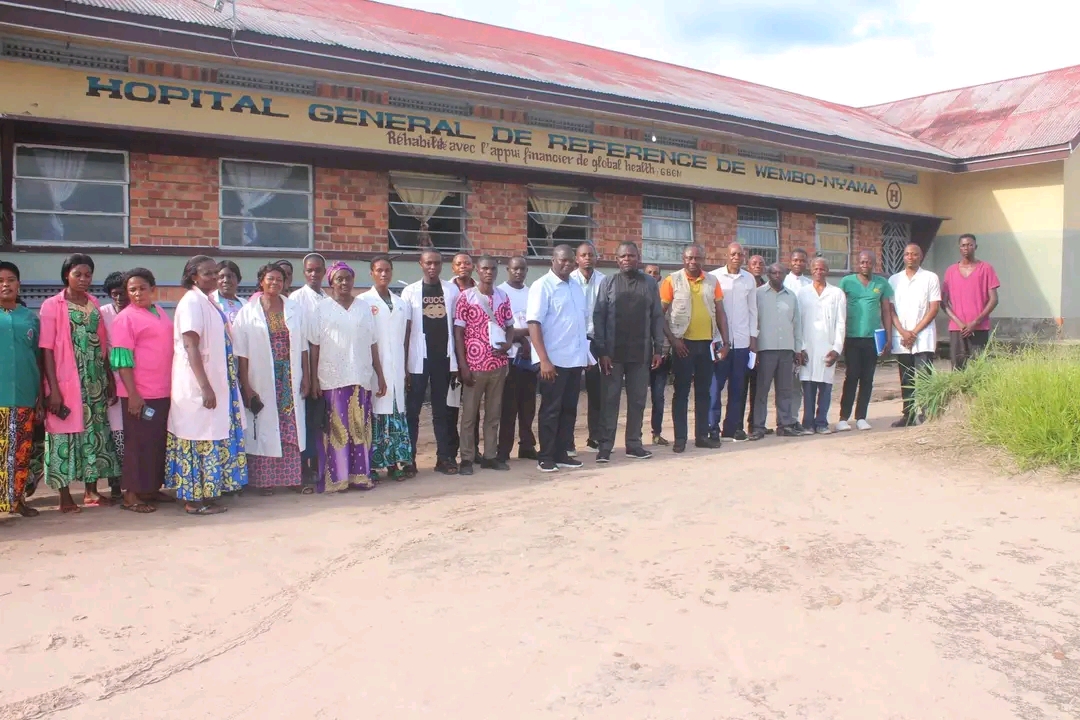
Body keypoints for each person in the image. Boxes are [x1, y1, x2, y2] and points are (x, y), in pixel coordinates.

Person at [166, 255, 248, 515]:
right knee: (197, 439)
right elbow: (191, 345)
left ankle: (207, 495)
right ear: (193, 276)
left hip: (216, 382)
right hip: (197, 386)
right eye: (208, 273)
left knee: (209, 438)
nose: (214, 277)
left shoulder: (208, 301)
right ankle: (194, 501)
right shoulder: (191, 302)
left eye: (215, 272)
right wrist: (205, 387)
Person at [40, 253, 121, 513]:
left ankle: (91, 491)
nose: (84, 279)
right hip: (66, 380)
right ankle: (65, 497)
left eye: (88, 274)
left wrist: (108, 376)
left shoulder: (94, 302)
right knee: (64, 435)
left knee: (95, 433)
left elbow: (102, 344)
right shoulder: (53, 305)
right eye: (78, 274)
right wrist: (53, 389)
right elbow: (47, 349)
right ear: (67, 275)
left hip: (94, 379)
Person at [309, 262, 387, 492]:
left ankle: (360, 476)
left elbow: (373, 343)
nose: (344, 283)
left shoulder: (363, 308)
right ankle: (337, 479)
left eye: (348, 278)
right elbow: (314, 347)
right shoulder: (321, 309)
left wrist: (379, 375)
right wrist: (313, 380)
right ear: (331, 282)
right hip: (332, 378)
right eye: (339, 279)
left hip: (360, 377)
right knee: (337, 429)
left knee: (359, 428)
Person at [234, 264, 309, 496]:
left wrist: (306, 377)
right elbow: (242, 354)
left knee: (290, 427)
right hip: (262, 377)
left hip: (289, 376)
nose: (275, 283)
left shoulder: (294, 308)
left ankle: (292, 478)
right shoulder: (248, 312)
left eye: (280, 279)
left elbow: (304, 346)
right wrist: (246, 386)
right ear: (261, 282)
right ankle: (264, 481)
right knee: (265, 427)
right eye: (270, 279)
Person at [593, 242, 666, 462]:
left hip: (641, 352)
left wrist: (658, 348)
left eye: (631, 256)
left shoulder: (650, 283)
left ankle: (634, 444)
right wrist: (602, 350)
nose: (627, 259)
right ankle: (605, 447)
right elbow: (599, 317)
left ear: (638, 258)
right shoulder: (608, 283)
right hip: (613, 354)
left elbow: (656, 316)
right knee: (610, 400)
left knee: (637, 400)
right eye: (623, 256)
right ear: (617, 260)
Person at [109, 268, 175, 513]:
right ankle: (131, 496)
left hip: (162, 391)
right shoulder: (125, 319)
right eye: (132, 290)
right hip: (139, 394)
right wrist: (134, 395)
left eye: (142, 288)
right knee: (138, 445)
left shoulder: (158, 311)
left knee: (156, 443)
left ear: (152, 289)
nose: (137, 294)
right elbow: (122, 360)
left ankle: (150, 488)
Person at [659, 245, 727, 453]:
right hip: (683, 346)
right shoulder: (672, 280)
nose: (693, 262)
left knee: (704, 393)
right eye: (690, 258)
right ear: (683, 259)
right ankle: (680, 438)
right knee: (681, 392)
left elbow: (720, 312)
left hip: (706, 344)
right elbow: (659, 315)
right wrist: (673, 340)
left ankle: (702, 436)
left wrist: (726, 342)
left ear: (703, 260)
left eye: (697, 258)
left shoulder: (712, 281)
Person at [527, 245, 589, 473]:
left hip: (574, 359)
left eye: (570, 261)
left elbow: (579, 324)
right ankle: (546, 456)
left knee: (569, 409)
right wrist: (543, 359)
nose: (566, 264)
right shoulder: (542, 286)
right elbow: (533, 323)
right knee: (551, 410)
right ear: (553, 260)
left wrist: (586, 356)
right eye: (562, 260)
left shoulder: (575, 286)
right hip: (552, 361)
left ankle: (563, 453)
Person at [453, 255, 518, 475]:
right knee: (470, 414)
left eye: (492, 269)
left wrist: (509, 343)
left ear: (497, 271)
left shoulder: (503, 296)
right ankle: (467, 458)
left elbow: (509, 325)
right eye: (484, 269)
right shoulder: (466, 297)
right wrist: (463, 365)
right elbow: (458, 332)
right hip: (474, 365)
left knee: (493, 413)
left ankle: (490, 455)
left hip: (498, 364)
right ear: (477, 271)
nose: (488, 272)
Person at [402, 251, 461, 475]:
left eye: (436, 263)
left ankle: (444, 458)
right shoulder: (410, 292)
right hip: (418, 361)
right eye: (428, 263)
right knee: (413, 412)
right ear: (420, 264)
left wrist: (456, 362)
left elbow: (456, 327)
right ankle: (409, 460)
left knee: (442, 411)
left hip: (443, 359)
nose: (433, 267)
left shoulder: (451, 290)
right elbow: (407, 331)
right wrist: (405, 364)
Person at [361, 256, 413, 481]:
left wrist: (406, 370)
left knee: (395, 415)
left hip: (397, 369)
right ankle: (371, 466)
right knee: (375, 416)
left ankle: (394, 464)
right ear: (372, 273)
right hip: (374, 370)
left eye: (387, 270)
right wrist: (378, 371)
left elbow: (404, 339)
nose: (384, 274)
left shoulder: (401, 303)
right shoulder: (363, 302)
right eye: (379, 270)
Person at [748, 263, 809, 441]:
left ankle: (784, 424)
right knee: (762, 390)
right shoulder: (758, 294)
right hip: (765, 350)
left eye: (780, 272)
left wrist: (798, 349)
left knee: (785, 390)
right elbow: (754, 321)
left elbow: (796, 324)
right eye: (773, 272)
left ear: (785, 274)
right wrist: (755, 348)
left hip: (786, 350)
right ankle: (758, 426)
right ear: (768, 275)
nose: (776, 275)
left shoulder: (791, 296)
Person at [0, 261, 41, 518]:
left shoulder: (29, 318)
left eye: (11, 279)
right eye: (1, 280)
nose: (6, 284)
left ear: (19, 284)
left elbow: (37, 357)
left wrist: (41, 396)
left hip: (25, 394)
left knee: (21, 450)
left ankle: (17, 500)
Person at [836, 250, 894, 432]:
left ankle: (861, 417)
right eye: (862, 262)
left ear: (874, 264)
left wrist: (889, 336)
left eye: (869, 262)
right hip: (852, 337)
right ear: (858, 263)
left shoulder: (881, 283)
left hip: (872, 338)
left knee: (867, 378)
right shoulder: (847, 282)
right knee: (851, 376)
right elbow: (839, 309)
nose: (865, 265)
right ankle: (843, 417)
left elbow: (886, 311)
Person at [709, 242, 757, 441]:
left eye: (740, 254)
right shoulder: (715, 277)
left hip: (743, 342)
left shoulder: (749, 279)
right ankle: (712, 427)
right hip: (720, 342)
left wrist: (753, 338)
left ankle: (732, 428)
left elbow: (753, 310)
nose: (737, 257)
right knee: (715, 387)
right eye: (733, 254)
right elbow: (712, 310)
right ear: (726, 256)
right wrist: (713, 338)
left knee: (738, 387)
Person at [889, 244, 941, 427]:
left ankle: (928, 413)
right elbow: (891, 309)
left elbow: (934, 308)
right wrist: (904, 332)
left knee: (925, 376)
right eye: (907, 254)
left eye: (914, 254)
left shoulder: (930, 278)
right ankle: (908, 415)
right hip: (901, 337)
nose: (910, 257)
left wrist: (914, 332)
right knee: (906, 377)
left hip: (923, 336)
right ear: (903, 257)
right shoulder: (894, 280)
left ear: (921, 256)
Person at [288, 253, 327, 488]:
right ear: (304, 273)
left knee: (320, 421)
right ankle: (304, 468)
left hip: (326, 369)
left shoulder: (326, 297)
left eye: (318, 270)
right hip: (306, 371)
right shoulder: (297, 299)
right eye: (309, 270)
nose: (314, 274)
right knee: (307, 421)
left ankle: (320, 465)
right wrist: (310, 378)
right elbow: (303, 342)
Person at [796, 258, 847, 434]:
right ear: (811, 271)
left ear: (827, 271)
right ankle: (808, 424)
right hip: (808, 347)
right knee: (808, 387)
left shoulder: (837, 293)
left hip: (828, 346)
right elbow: (798, 322)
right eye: (816, 268)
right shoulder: (802, 293)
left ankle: (822, 422)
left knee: (825, 387)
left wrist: (837, 349)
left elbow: (841, 323)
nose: (819, 271)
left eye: (822, 268)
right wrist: (800, 347)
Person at [496, 255, 538, 463]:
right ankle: (503, 450)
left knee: (528, 406)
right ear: (508, 269)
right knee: (508, 407)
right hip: (509, 357)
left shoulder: (532, 293)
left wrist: (527, 338)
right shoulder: (500, 293)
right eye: (515, 269)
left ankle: (527, 446)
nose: (519, 272)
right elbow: (502, 326)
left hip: (530, 359)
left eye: (522, 269)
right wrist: (523, 339)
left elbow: (537, 323)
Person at [942, 234, 1000, 370]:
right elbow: (943, 303)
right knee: (958, 368)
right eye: (963, 245)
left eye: (970, 244)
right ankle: (959, 392)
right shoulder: (950, 271)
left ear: (976, 247)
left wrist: (975, 322)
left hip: (979, 328)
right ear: (959, 248)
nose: (966, 248)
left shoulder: (986, 269)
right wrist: (960, 323)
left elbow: (994, 299)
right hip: (957, 329)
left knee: (978, 368)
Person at [570, 242, 605, 454]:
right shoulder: (569, 280)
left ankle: (595, 438)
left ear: (596, 257)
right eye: (583, 255)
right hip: (573, 341)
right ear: (577, 258)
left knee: (596, 393)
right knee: (571, 393)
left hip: (596, 341)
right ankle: (568, 441)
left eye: (591, 254)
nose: (587, 258)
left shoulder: (604, 280)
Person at [99, 270, 128, 500]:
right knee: (116, 432)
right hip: (112, 380)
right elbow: (102, 350)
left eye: (122, 293)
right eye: (114, 294)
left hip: (137, 380)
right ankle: (117, 483)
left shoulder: (137, 312)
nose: (119, 298)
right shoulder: (103, 314)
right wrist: (110, 380)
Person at [643, 264, 671, 446]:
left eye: (656, 273)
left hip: (661, 355)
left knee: (658, 396)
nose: (653, 276)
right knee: (637, 398)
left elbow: (666, 326)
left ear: (660, 277)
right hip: (641, 355)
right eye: (649, 273)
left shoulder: (665, 298)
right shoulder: (637, 297)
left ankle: (656, 432)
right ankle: (635, 434)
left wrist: (665, 350)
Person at [742, 254, 768, 433]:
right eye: (754, 263)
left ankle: (756, 424)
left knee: (759, 388)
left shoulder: (768, 286)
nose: (757, 266)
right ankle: (737, 425)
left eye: (761, 263)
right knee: (742, 385)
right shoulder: (743, 284)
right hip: (747, 342)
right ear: (748, 266)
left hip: (764, 343)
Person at [212, 260, 245, 325]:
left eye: (230, 276)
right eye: (221, 277)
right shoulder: (209, 302)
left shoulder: (245, 304)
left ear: (238, 280)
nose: (226, 280)